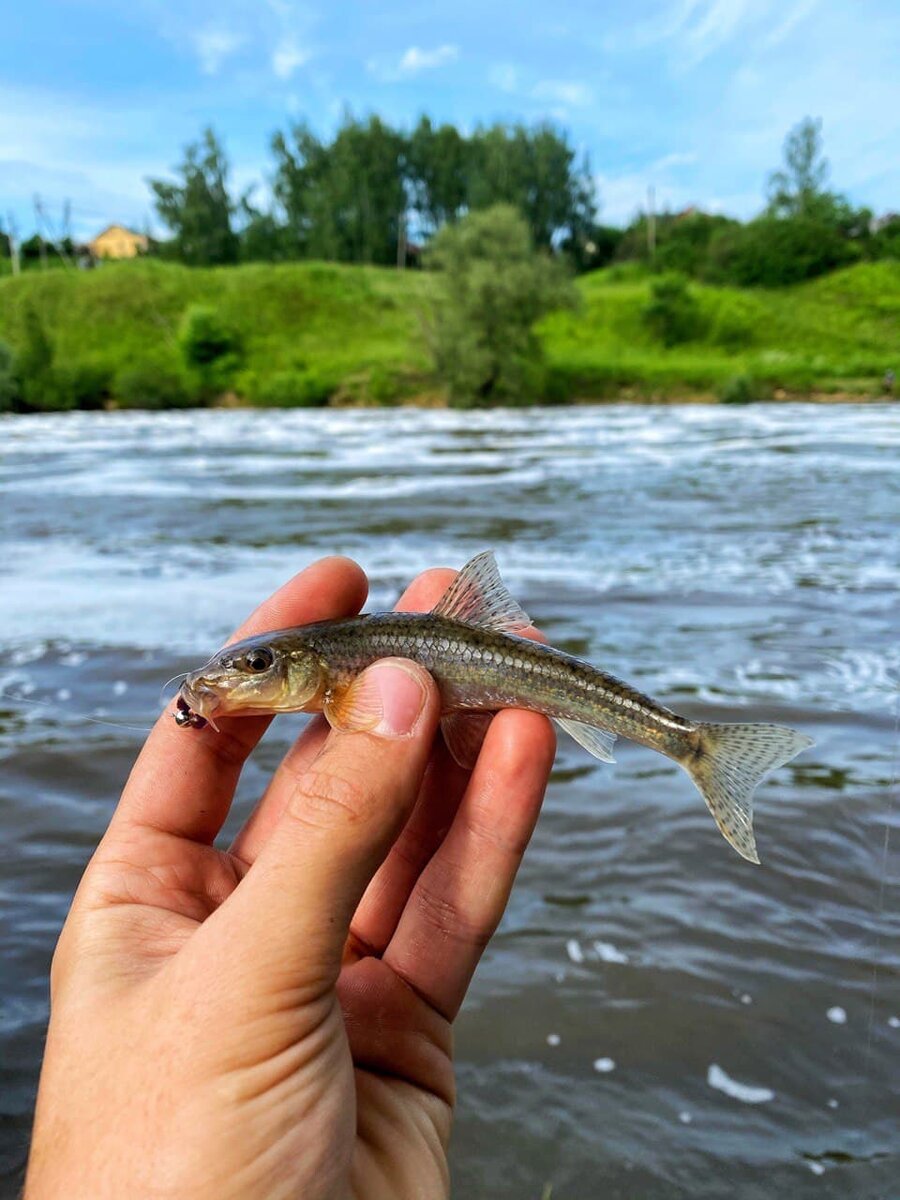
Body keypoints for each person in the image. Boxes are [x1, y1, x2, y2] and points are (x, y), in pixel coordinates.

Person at [25, 557, 556, 1199]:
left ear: (306, 666)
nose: (234, 678)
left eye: (256, 667)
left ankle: (688, 743)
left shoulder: (342, 679)